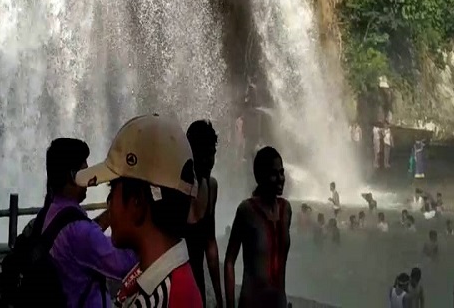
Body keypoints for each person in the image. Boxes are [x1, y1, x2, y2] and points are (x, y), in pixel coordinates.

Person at [75, 114, 201, 308]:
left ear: (137, 203)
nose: (109, 203)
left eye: (112, 189)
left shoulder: (161, 299)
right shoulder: (162, 277)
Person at [38, 137, 137, 307]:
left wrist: (114, 212)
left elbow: (86, 237)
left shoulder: (52, 212)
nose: (90, 181)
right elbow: (125, 264)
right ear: (71, 176)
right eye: (85, 171)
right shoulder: (79, 232)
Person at [224, 146, 292, 308]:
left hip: (279, 303)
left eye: (282, 172)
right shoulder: (247, 210)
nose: (280, 178)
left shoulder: (286, 210)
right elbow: (229, 261)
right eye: (274, 174)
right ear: (260, 177)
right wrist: (229, 305)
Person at [185, 120, 223, 308]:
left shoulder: (211, 186)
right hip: (175, 284)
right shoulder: (175, 190)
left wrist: (219, 297)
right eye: (204, 154)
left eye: (212, 154)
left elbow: (210, 244)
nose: (210, 161)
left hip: (197, 283)